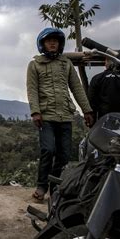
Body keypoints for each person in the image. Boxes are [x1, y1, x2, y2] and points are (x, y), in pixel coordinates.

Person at [26, 28, 94, 202]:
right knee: (48, 150)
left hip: (65, 115)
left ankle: (55, 188)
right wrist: (35, 112)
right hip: (46, 116)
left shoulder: (66, 64)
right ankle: (41, 186)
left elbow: (76, 88)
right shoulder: (35, 64)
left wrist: (86, 110)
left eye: (55, 40)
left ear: (60, 44)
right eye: (49, 40)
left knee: (64, 155)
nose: (53, 43)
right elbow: (32, 90)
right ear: (42, 44)